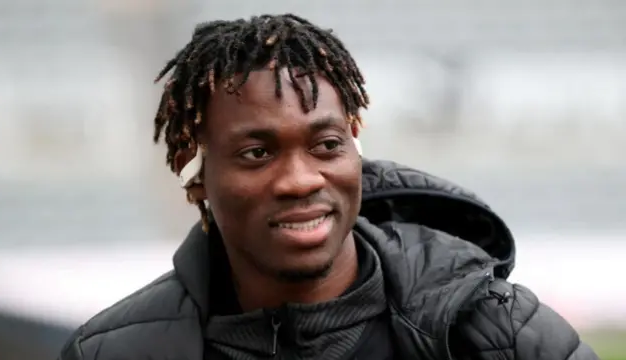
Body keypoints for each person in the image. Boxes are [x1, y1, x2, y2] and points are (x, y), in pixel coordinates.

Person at [58, 14, 598, 360]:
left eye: (325, 146)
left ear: (355, 146)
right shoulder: (114, 350)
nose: (299, 180)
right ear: (193, 171)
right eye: (257, 153)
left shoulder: (504, 335)